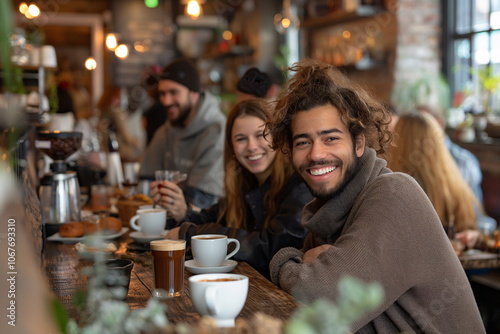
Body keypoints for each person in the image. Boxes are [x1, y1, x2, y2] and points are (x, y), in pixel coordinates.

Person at [266, 59, 485, 333]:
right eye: (303, 142)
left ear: (359, 143)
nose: (316, 154)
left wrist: (282, 260)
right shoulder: (328, 214)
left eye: (330, 138)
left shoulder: (394, 193)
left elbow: (324, 299)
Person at [155, 99, 313, 279]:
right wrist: (181, 212)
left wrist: (191, 233)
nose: (252, 146)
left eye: (261, 135)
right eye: (241, 139)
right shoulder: (246, 183)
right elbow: (213, 217)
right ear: (231, 147)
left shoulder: (299, 184)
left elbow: (271, 248)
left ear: (276, 136)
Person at [387, 112, 495, 249]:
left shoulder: (391, 182)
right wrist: (475, 234)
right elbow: (483, 223)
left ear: (400, 141)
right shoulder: (456, 179)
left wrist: (475, 234)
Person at [139, 58, 226, 209]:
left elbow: (201, 200)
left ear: (194, 94)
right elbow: (145, 184)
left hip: (206, 226)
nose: (166, 101)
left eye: (174, 92)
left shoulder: (216, 131)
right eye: (162, 93)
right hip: (168, 219)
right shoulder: (165, 131)